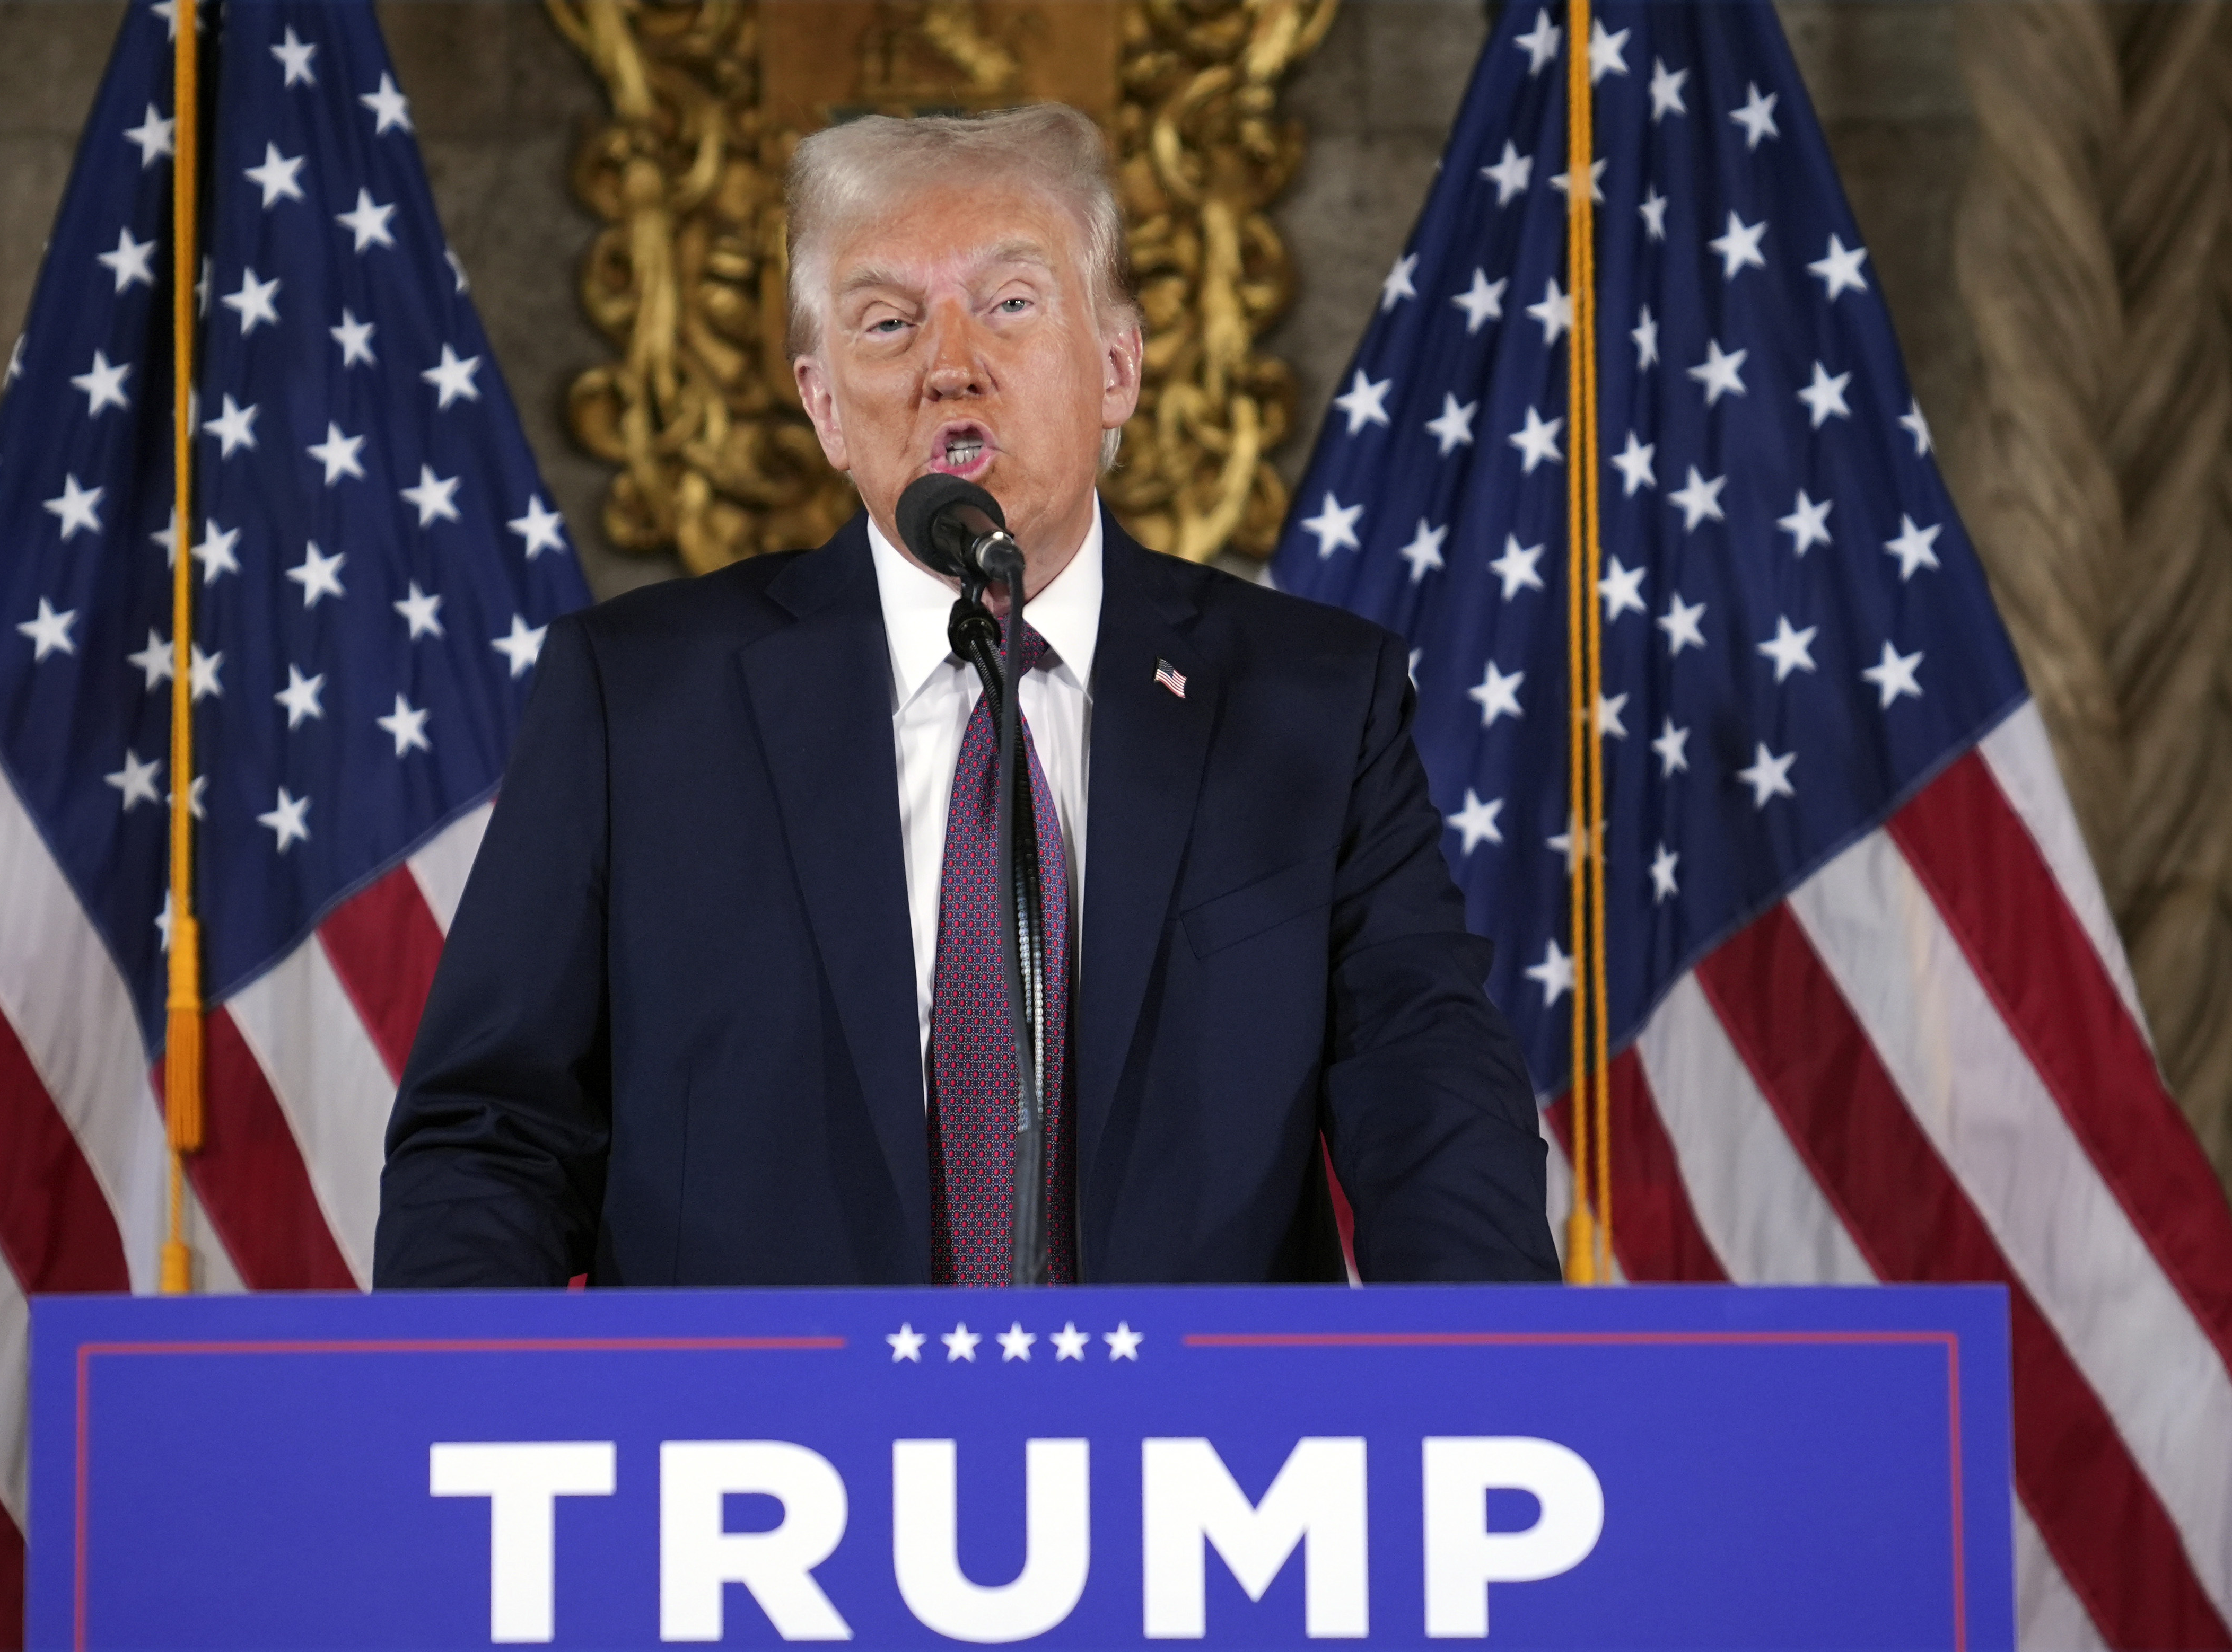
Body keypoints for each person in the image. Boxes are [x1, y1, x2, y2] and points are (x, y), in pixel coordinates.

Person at [374, 104, 1558, 1288]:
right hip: (756, 1449)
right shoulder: (637, 700)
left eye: (1008, 303)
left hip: (1184, 1445)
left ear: (1117, 367)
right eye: (888, 323)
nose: (951, 364)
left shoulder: (1312, 701)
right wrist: (459, 1427)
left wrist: (1494, 1394)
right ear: (824, 404)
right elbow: (492, 1139)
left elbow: (1432, 1097)